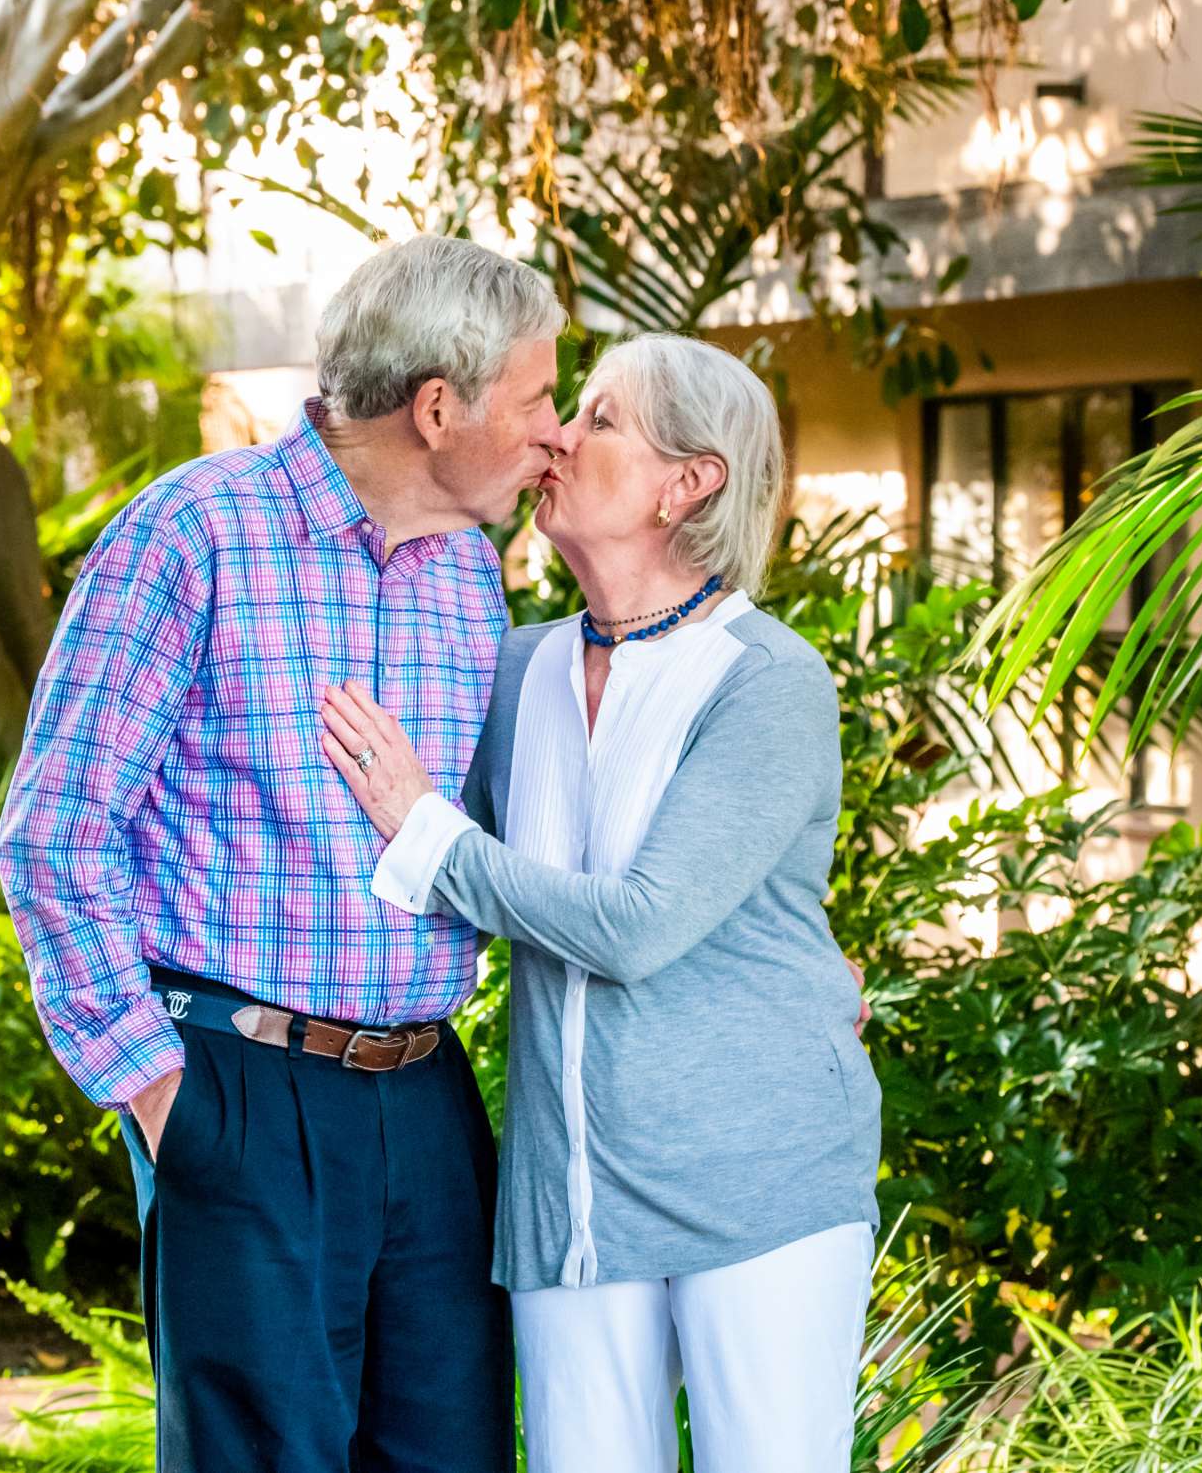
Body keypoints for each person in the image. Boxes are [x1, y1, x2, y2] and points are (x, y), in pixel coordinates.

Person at [0, 235, 567, 1473]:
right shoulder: (194, 535)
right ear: (436, 408)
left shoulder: (471, 577)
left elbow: (507, 838)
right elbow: (55, 830)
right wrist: (160, 1092)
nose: (556, 435)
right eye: (536, 399)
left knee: (452, 1455)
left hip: (427, 1101)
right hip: (243, 1088)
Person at [320, 332, 883, 1473]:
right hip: (567, 1198)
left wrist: (428, 828)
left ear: (689, 483)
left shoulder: (765, 678)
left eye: (603, 417)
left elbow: (634, 926)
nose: (562, 436)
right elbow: (441, 884)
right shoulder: (515, 665)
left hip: (757, 1184)